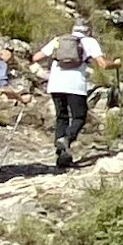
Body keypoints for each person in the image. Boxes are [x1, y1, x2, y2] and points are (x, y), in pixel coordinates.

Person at [40, 15, 104, 170]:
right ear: (88, 30)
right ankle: (67, 139)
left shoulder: (58, 39)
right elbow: (102, 64)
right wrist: (115, 64)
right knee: (79, 116)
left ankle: (62, 157)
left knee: (61, 118)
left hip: (55, 84)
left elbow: (37, 56)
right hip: (75, 85)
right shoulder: (89, 42)